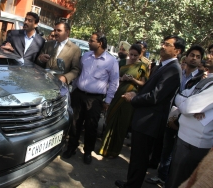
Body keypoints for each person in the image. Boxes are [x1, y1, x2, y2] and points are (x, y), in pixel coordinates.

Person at [115, 35, 185, 188]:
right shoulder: (162, 66)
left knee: (140, 159)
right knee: (136, 157)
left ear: (177, 51)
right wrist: (136, 95)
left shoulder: (173, 70)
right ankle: (130, 183)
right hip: (144, 119)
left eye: (167, 44)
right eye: (163, 43)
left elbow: (155, 96)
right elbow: (150, 89)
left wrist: (133, 99)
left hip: (150, 122)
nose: (162, 46)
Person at [145, 45, 205, 185]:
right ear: (186, 56)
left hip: (185, 121)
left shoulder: (201, 79)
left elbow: (193, 102)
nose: (194, 59)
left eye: (198, 57)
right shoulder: (178, 72)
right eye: (192, 55)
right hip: (169, 116)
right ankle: (162, 176)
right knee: (166, 149)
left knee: (178, 155)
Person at [61, 32, 119, 164]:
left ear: (100, 43)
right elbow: (78, 74)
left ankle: (88, 152)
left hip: (95, 99)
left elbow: (114, 83)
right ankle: (71, 148)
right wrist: (73, 91)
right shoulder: (86, 56)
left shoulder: (111, 61)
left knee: (91, 126)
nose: (89, 42)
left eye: (91, 40)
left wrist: (108, 101)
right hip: (79, 94)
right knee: (75, 123)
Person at [166, 44, 213, 188]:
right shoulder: (207, 80)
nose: (209, 56)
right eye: (210, 52)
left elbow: (187, 107)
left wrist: (189, 104)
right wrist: (189, 103)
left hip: (194, 145)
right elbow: (180, 96)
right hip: (184, 139)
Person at [99, 44, 149, 158]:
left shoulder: (142, 66)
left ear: (140, 55)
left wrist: (132, 80)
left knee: (122, 124)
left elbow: (143, 84)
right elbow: (113, 78)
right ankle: (104, 149)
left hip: (129, 98)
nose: (132, 57)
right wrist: (122, 79)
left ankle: (114, 151)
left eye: (135, 55)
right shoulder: (121, 63)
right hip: (117, 94)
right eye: (131, 54)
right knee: (110, 120)